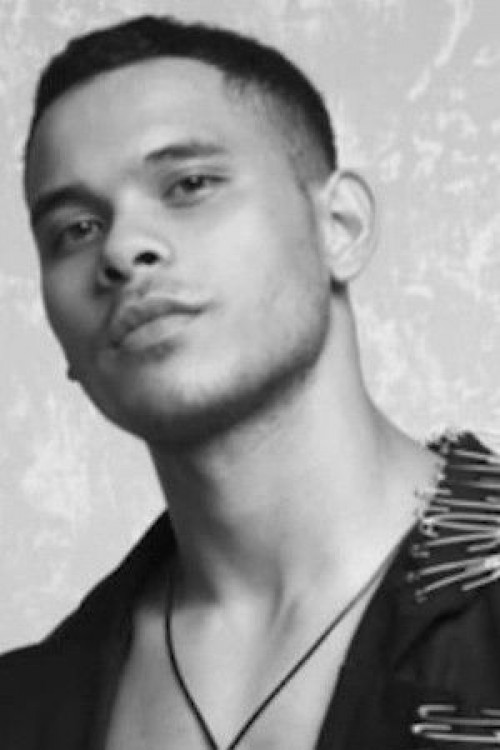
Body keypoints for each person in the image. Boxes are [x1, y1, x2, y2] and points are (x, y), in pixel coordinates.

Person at [1, 13, 500, 750]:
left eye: (189, 184)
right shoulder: (24, 708)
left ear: (340, 227)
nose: (123, 248)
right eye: (74, 229)